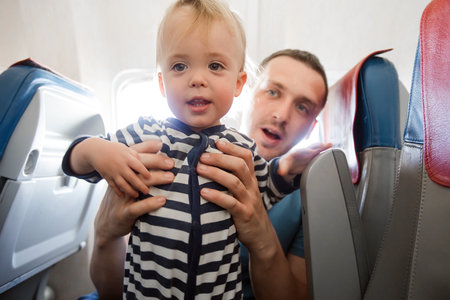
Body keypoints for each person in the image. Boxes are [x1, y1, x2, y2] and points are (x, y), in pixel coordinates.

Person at [64, 1, 328, 299]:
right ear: (162, 84)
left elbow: (264, 193)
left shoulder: (241, 150)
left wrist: (285, 169)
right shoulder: (147, 133)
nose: (197, 79)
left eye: (215, 66)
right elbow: (76, 159)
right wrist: (94, 150)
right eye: (180, 66)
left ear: (239, 82)